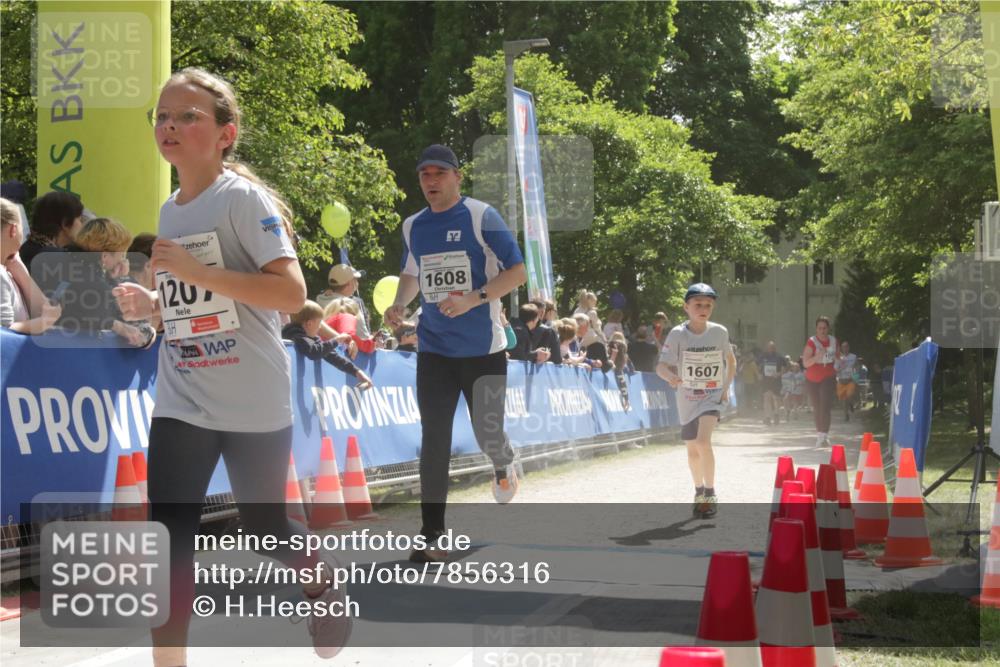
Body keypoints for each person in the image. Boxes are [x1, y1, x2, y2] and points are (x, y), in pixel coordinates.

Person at [112, 68, 348, 665]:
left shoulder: (242, 198)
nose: (170, 125)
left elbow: (292, 295)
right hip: (184, 394)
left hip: (252, 395)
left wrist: (192, 277)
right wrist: (158, 309)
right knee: (169, 544)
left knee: (265, 534)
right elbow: (205, 308)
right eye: (163, 115)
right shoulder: (169, 209)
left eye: (188, 115)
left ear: (225, 133)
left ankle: (318, 582)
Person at [383, 143, 526, 563]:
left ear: (456, 177)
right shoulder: (414, 225)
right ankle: (432, 534)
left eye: (439, 173)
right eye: (425, 174)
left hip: (483, 349)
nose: (431, 181)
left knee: (487, 433)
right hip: (435, 349)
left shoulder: (482, 216)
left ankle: (503, 460)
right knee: (434, 440)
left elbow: (518, 272)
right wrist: (400, 304)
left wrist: (474, 298)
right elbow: (411, 274)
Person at [656, 283, 736, 518]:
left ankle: (710, 493)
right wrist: (671, 377)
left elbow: (730, 362)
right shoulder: (678, 334)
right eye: (698, 304)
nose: (703, 309)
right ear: (686, 307)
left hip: (712, 396)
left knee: (703, 442)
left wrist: (726, 387)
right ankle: (699, 491)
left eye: (708, 305)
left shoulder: (719, 332)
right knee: (692, 451)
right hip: (687, 398)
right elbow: (661, 366)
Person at [0, 197, 62, 334]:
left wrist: (21, 273)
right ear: (13, 230)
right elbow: (4, 332)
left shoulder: (9, 268)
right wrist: (44, 322)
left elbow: (41, 309)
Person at [283, 301, 373, 388]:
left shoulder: (311, 337)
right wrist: (336, 340)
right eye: (318, 324)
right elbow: (314, 352)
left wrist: (357, 372)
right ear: (309, 324)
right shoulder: (296, 336)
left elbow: (331, 355)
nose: (320, 328)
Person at [18, 190, 84, 271]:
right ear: (65, 223)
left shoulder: (26, 249)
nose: (83, 225)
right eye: (80, 219)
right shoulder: (55, 258)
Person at [802, 315, 840, 447]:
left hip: (828, 376)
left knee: (825, 406)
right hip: (812, 378)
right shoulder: (812, 342)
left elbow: (837, 357)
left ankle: (824, 435)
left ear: (828, 328)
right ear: (816, 329)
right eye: (819, 328)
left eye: (824, 328)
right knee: (817, 407)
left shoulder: (833, 341)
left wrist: (837, 362)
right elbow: (806, 363)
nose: (822, 331)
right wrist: (817, 356)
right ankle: (819, 435)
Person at [317, 263, 372, 338]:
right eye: (355, 280)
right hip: (346, 348)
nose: (357, 283)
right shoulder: (350, 306)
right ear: (350, 283)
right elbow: (364, 339)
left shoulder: (318, 301)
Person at [759, 341, 786, 425]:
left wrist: (778, 374)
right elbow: (758, 366)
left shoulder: (779, 357)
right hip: (766, 381)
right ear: (766, 348)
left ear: (775, 348)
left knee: (776, 399)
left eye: (772, 347)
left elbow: (783, 369)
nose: (770, 349)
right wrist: (759, 374)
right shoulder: (763, 356)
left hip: (776, 381)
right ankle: (768, 417)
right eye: (769, 347)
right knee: (766, 398)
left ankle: (776, 415)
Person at [608, 331, 632, 410]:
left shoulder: (610, 345)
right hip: (618, 369)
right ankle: (626, 401)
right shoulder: (624, 347)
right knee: (622, 383)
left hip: (611, 367)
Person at [835, 340, 858, 421]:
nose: (845, 348)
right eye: (843, 347)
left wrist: (856, 379)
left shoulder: (854, 356)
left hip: (850, 379)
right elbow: (835, 369)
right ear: (841, 348)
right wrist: (840, 368)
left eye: (846, 346)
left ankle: (851, 404)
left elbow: (856, 368)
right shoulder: (838, 358)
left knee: (850, 396)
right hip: (841, 379)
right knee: (843, 399)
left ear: (849, 347)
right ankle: (846, 415)